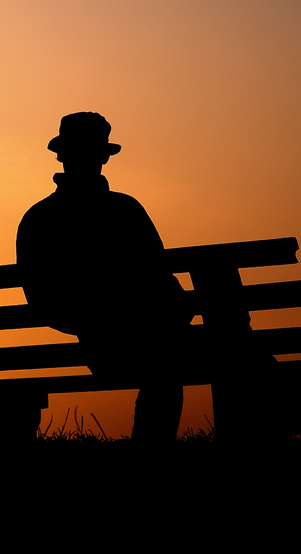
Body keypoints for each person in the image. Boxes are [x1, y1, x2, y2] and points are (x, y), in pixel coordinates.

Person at [16, 112, 190, 443]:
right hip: (141, 343)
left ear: (61, 155)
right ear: (103, 157)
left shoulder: (37, 219)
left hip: (94, 346)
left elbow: (41, 300)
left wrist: (87, 322)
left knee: (167, 358)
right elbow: (165, 284)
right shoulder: (126, 211)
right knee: (183, 359)